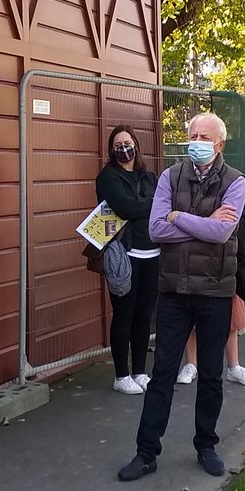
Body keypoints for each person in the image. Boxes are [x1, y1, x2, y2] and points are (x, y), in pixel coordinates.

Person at [117, 113, 245, 482]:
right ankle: (146, 453)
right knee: (162, 375)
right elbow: (156, 229)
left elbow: (222, 234)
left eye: (205, 135)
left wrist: (179, 216)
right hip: (173, 290)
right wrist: (197, 223)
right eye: (192, 134)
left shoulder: (236, 181)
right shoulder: (169, 177)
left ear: (220, 143)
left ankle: (206, 445)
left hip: (215, 291)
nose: (197, 140)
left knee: (210, 375)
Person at [95, 125, 159, 395]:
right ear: (112, 149)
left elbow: (156, 204)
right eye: (118, 145)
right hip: (124, 255)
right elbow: (125, 207)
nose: (124, 149)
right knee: (124, 313)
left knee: (144, 314)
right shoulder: (108, 177)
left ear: (136, 144)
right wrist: (151, 202)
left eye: (128, 143)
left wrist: (145, 203)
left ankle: (140, 371)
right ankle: (121, 375)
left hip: (152, 253)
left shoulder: (148, 175)